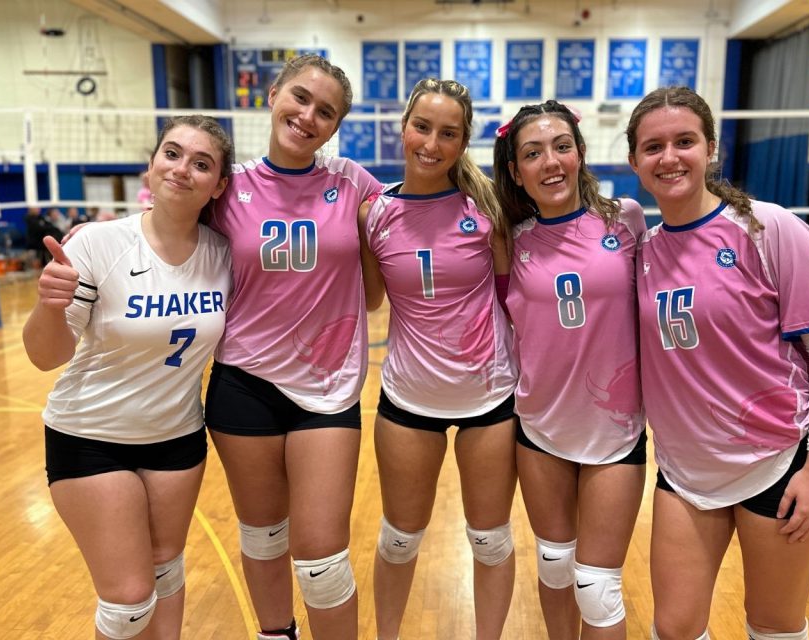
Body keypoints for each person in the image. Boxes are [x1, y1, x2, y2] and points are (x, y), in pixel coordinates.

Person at [626, 86, 809, 640]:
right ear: (634, 161)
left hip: (781, 463)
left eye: (684, 141)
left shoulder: (769, 228)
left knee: (773, 624)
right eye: (653, 147)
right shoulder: (643, 251)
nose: (669, 157)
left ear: (711, 149)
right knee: (674, 628)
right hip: (686, 471)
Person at [21, 115, 233, 640]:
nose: (182, 169)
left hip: (178, 439)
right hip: (91, 437)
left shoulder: (225, 254)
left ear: (219, 185)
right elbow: (45, 357)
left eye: (201, 163)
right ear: (152, 163)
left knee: (167, 569)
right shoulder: (98, 244)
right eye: (172, 153)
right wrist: (50, 305)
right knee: (129, 601)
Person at [204, 53, 381, 640]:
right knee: (262, 534)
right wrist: (90, 235)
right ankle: (275, 633)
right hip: (243, 384)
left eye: (325, 112)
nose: (308, 116)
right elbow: (156, 222)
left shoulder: (352, 181)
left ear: (335, 127)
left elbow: (420, 213)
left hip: (327, 392)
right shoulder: (228, 188)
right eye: (300, 98)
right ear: (273, 93)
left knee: (322, 555)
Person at [360, 78, 519, 640]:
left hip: (490, 397)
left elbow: (511, 297)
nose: (431, 143)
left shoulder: (487, 206)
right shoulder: (374, 213)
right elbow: (372, 296)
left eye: (448, 133)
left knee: (491, 538)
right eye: (422, 127)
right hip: (408, 398)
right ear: (403, 127)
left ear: (463, 141)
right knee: (398, 538)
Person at [492, 100, 647, 640]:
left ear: (580, 153)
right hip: (539, 428)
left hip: (615, 431)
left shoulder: (625, 218)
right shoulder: (509, 239)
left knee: (597, 587)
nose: (550, 162)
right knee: (555, 565)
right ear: (516, 171)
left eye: (561, 147)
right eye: (532, 153)